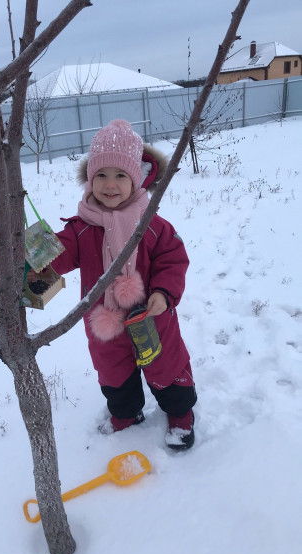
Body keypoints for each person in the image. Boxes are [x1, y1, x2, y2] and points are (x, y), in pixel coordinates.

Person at [51, 119, 197, 450]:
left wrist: (162, 292)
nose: (110, 184)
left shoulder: (152, 225)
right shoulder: (81, 228)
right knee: (113, 372)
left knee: (166, 365)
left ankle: (179, 414)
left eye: (121, 175)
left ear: (137, 179)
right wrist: (37, 251)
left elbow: (172, 260)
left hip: (152, 317)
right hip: (105, 321)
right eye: (101, 175)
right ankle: (126, 414)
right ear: (89, 181)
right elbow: (57, 258)